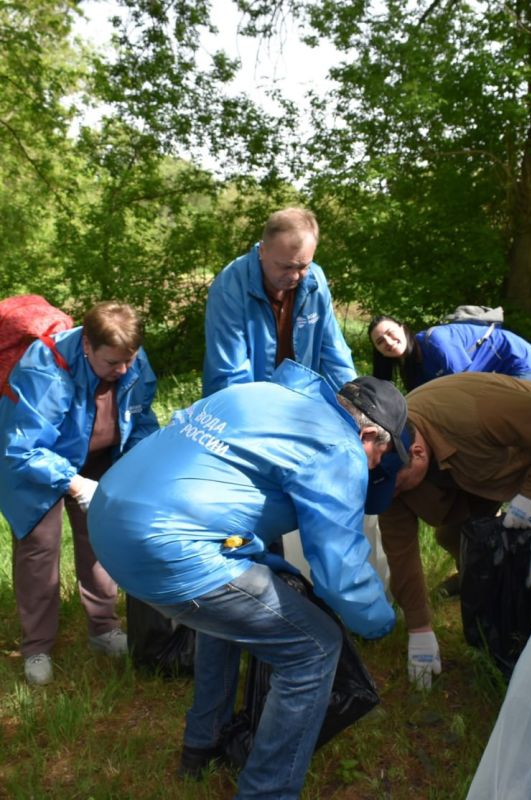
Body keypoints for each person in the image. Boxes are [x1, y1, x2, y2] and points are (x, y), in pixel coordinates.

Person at [88, 367, 407, 799]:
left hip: (109, 515)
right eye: (381, 459)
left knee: (236, 613)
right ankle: (266, 792)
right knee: (315, 648)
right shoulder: (339, 446)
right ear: (372, 437)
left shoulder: (261, 394)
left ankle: (202, 745)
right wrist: (380, 623)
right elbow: (340, 570)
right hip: (167, 547)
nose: (373, 469)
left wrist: (271, 562)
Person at [372, 372, 531, 688]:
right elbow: (401, 552)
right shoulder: (388, 468)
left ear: (417, 453)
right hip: (479, 471)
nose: (393, 496)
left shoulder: (474, 414)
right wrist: (419, 628)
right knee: (452, 536)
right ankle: (484, 589)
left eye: (397, 486)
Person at [0, 301, 158, 685]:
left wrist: (145, 467)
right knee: (40, 546)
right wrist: (76, 484)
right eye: (112, 364)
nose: (123, 371)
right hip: (34, 462)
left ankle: (103, 629)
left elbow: (142, 418)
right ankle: (37, 646)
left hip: (100, 454)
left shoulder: (130, 359)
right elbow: (23, 448)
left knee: (99, 537)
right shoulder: (45, 368)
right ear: (87, 345)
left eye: (128, 360)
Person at [203, 207, 357, 397]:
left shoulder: (315, 281)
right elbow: (230, 375)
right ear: (263, 250)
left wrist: (354, 404)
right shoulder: (230, 287)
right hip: (245, 401)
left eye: (303, 266)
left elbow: (334, 353)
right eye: (285, 266)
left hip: (301, 400)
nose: (294, 276)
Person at [368, 313, 531, 390]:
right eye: (380, 342)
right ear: (379, 352)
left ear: (403, 328)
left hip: (517, 361)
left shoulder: (437, 342)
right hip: (491, 376)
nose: (389, 342)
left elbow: (465, 387)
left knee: (509, 417)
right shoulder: (412, 366)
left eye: (390, 333)